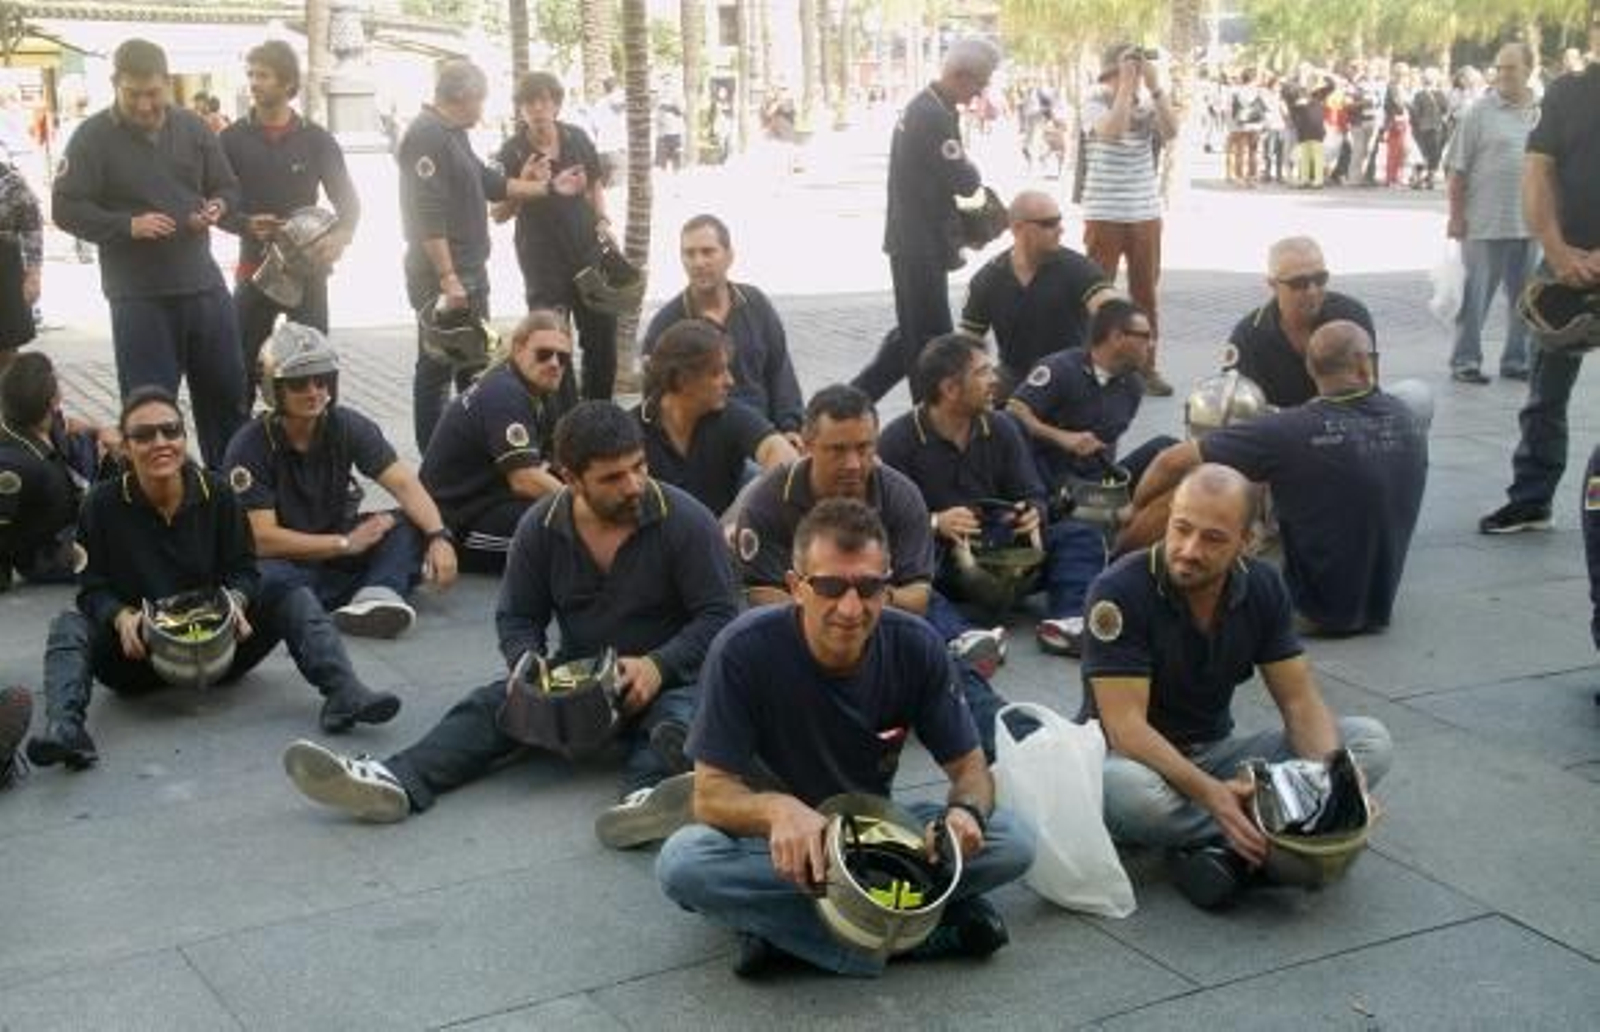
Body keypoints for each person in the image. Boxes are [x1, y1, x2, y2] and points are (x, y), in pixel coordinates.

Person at [281, 401, 738, 849]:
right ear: (571, 478)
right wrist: (527, 666)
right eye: (613, 477)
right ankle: (394, 780)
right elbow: (518, 616)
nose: (634, 484)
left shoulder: (686, 521)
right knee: (491, 704)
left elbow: (719, 616)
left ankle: (646, 800)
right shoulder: (540, 527)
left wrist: (659, 665)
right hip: (582, 675)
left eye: (639, 467)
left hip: (674, 676)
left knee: (675, 722)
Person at [656, 498, 1036, 977]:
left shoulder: (917, 645)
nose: (851, 608)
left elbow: (970, 772)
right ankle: (916, 934)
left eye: (869, 587)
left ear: (888, 587)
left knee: (1015, 839)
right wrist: (777, 810)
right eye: (831, 586)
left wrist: (965, 812)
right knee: (683, 863)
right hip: (774, 847)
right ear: (796, 587)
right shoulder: (741, 650)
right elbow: (710, 797)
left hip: (871, 837)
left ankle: (783, 935)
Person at [24, 387, 400, 772]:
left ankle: (345, 692)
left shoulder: (217, 493)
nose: (160, 443)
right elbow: (92, 588)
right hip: (139, 659)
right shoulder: (100, 505)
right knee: (69, 626)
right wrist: (120, 618)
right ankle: (66, 728)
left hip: (222, 650)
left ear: (184, 438)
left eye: (170, 431)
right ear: (126, 445)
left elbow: (245, 568)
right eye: (144, 435)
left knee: (288, 590)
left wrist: (236, 600)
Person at [1083, 463, 1393, 909]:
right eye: (1181, 528)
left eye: (1213, 539)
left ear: (1249, 542)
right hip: (1134, 762)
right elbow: (1126, 730)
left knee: (1369, 741)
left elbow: (1299, 700)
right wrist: (1216, 798)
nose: (1188, 549)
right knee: (1130, 798)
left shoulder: (1264, 586)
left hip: (1220, 755)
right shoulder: (1118, 591)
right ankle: (1275, 826)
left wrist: (1337, 780)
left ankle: (1238, 840)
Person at [728, 384, 1010, 758]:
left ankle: (1021, 744)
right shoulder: (768, 502)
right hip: (798, 639)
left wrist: (862, 601)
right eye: (837, 450)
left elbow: (919, 597)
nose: (853, 464)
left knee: (948, 669)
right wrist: (833, 609)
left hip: (882, 629)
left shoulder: (900, 495)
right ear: (807, 446)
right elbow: (762, 596)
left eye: (864, 448)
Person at [1129, 322, 1429, 636]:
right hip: (1376, 607)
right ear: (1367, 365)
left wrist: (1133, 512)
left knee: (1193, 489)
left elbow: (1169, 461)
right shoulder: (1407, 415)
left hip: (1307, 610)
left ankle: (1123, 567)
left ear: (1310, 368)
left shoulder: (1289, 429)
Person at [52, 39, 246, 467]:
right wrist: (127, 226)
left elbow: (227, 185)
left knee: (229, 401)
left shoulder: (193, 128)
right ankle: (157, 510)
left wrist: (217, 207)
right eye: (133, 93)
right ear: (115, 84)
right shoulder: (92, 137)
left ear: (167, 84)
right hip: (139, 297)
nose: (144, 105)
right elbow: (65, 208)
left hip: (204, 287)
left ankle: (232, 504)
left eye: (153, 93)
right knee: (148, 416)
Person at [222, 322, 458, 640]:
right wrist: (344, 545)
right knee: (263, 577)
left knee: (407, 523)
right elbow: (262, 538)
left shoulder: (347, 425)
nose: (313, 391)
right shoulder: (248, 446)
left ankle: (376, 594)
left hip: (335, 546)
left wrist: (439, 536)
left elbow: (403, 484)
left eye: (322, 380)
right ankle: (359, 590)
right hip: (286, 557)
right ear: (273, 388)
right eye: (299, 383)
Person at [881, 334, 1110, 659]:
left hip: (1000, 547)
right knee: (907, 580)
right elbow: (882, 521)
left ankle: (1068, 621)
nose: (995, 380)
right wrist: (934, 522)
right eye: (983, 373)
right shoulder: (896, 441)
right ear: (949, 389)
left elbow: (1032, 493)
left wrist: (1032, 512)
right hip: (941, 558)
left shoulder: (1002, 426)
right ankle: (963, 637)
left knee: (1079, 536)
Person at [402, 60, 573, 451]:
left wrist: (548, 189)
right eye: (481, 100)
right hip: (446, 274)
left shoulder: (453, 134)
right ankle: (435, 460)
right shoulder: (427, 136)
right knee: (436, 367)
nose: (483, 110)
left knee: (472, 363)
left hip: (469, 269)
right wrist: (447, 277)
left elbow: (491, 184)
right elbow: (427, 214)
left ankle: (470, 449)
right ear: (464, 97)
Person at [1479, 21, 1600, 536]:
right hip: (1565, 262)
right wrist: (1556, 248)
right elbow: (1537, 172)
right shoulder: (1569, 93)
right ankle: (1532, 498)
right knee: (1544, 392)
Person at [852, 38, 1002, 402]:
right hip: (919, 243)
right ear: (959, 75)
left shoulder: (930, 106)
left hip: (915, 238)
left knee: (912, 331)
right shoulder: (932, 114)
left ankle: (853, 399)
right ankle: (929, 414)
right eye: (978, 84)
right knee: (930, 337)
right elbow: (965, 181)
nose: (979, 93)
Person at [220, 40, 360, 396]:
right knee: (238, 373)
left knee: (315, 369)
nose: (254, 82)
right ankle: (242, 447)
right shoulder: (230, 139)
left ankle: (319, 446)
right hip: (253, 271)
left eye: (263, 75)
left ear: (287, 83)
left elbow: (350, 204)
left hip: (308, 274)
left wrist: (339, 238)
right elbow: (215, 207)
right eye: (251, 74)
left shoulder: (316, 139)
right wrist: (243, 223)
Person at [491, 71, 616, 402]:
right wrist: (525, 181)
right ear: (520, 109)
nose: (537, 108)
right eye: (529, 102)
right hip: (542, 260)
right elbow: (499, 214)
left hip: (586, 251)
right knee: (552, 341)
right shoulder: (511, 151)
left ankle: (598, 412)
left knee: (602, 336)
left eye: (544, 100)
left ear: (557, 104)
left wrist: (602, 219)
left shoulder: (576, 138)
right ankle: (564, 420)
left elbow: (594, 184)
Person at [419, 309, 571, 572]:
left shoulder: (535, 385)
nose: (555, 363)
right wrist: (590, 505)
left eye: (563, 356)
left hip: (494, 498)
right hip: (459, 521)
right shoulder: (505, 395)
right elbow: (524, 479)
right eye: (544, 353)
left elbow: (555, 459)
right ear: (518, 349)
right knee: (576, 536)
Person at [642, 215, 805, 437]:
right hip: (706, 440)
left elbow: (780, 371)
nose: (698, 262)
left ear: (729, 256)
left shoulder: (755, 303)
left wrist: (791, 427)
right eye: (689, 253)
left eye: (708, 252)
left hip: (765, 432)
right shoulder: (667, 322)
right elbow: (655, 399)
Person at [1079, 44, 1180, 396]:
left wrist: (1155, 86)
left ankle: (1146, 367)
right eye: (1128, 69)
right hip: (1104, 212)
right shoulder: (1093, 101)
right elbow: (1112, 131)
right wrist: (1124, 85)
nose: (1134, 75)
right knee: (1096, 294)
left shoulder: (1148, 101)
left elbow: (1171, 131)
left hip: (1144, 212)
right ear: (1111, 72)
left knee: (1145, 295)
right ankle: (1090, 365)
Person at [958, 190, 1115, 397]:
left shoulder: (1079, 268)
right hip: (1014, 379)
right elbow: (967, 342)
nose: (1060, 230)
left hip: (1071, 377)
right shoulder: (987, 279)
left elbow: (1112, 311)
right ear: (1018, 229)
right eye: (1049, 224)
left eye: (1059, 221)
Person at [1445, 42, 1539, 385]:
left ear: (1529, 70)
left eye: (1510, 68)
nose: (1502, 75)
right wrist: (1456, 216)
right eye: (1498, 68)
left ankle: (1517, 359)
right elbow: (1457, 170)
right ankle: (1465, 360)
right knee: (1475, 298)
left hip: (1529, 223)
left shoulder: (1541, 112)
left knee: (1527, 299)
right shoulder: (1479, 113)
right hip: (1483, 224)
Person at [635, 319, 795, 516]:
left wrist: (744, 516)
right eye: (717, 373)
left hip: (722, 539)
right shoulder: (632, 428)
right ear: (682, 379)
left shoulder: (728, 415)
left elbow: (781, 454)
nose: (730, 381)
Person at [0, 353, 114, 592]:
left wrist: (101, 432)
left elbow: (69, 425)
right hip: (48, 551)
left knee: (122, 449)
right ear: (53, 399)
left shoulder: (36, 418)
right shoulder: (14, 467)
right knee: (127, 551)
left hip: (68, 503)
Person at [1222, 236, 1377, 408]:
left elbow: (1368, 388)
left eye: (1320, 279)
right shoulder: (1249, 337)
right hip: (1282, 429)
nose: (1312, 291)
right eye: (1299, 283)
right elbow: (1236, 406)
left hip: (1346, 419)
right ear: (1273, 285)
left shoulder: (1352, 316)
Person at [0, 157, 42, 362]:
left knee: (6, 346)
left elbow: (32, 228)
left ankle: (9, 392)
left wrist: (33, 275)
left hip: (4, 271)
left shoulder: (11, 181)